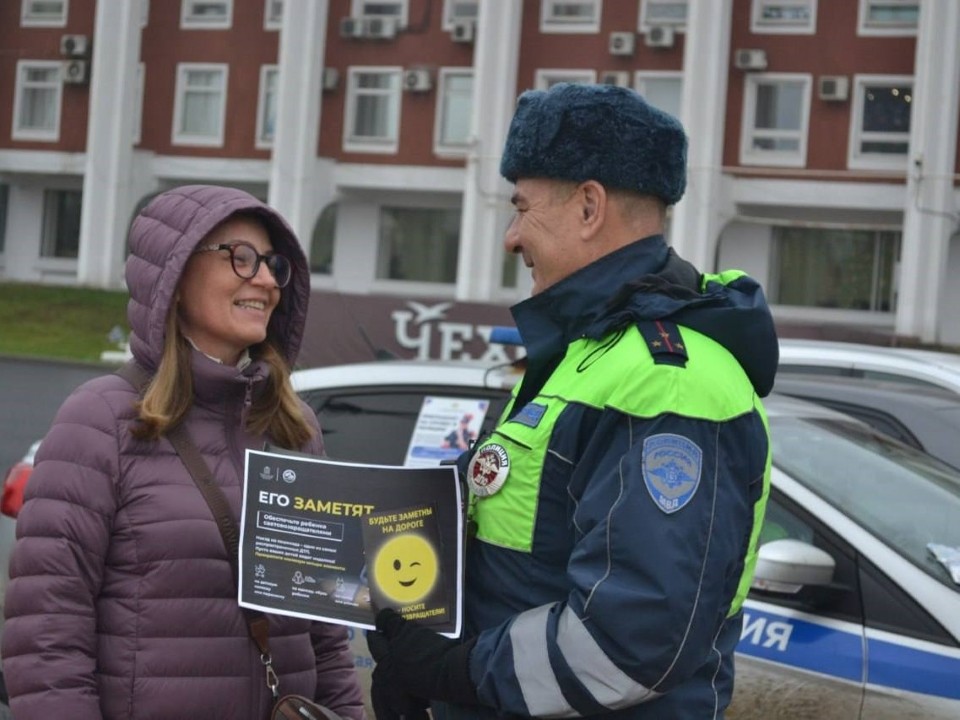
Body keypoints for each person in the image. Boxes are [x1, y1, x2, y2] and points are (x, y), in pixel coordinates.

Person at [366, 83, 779, 719]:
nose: (510, 238)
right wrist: (416, 633)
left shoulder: (665, 380)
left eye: (521, 208)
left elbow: (630, 641)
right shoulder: (590, 355)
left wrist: (459, 672)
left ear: (589, 207)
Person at [1, 185, 365, 720]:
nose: (265, 280)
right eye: (241, 258)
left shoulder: (294, 428)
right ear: (171, 277)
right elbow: (46, 632)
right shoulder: (100, 419)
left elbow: (325, 635)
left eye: (272, 264)